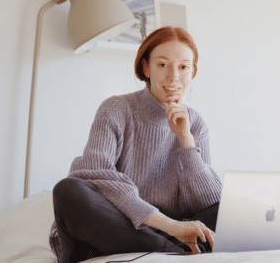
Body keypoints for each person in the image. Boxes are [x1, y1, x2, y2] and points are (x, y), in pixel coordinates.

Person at [49, 26, 222, 263]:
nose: (173, 77)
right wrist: (171, 226)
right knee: (68, 191)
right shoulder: (116, 109)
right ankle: (174, 253)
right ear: (146, 67)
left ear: (192, 72)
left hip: (169, 233)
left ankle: (166, 248)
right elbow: (93, 175)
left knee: (227, 212)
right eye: (163, 65)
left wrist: (186, 140)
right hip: (110, 233)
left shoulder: (196, 123)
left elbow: (207, 202)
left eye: (183, 67)